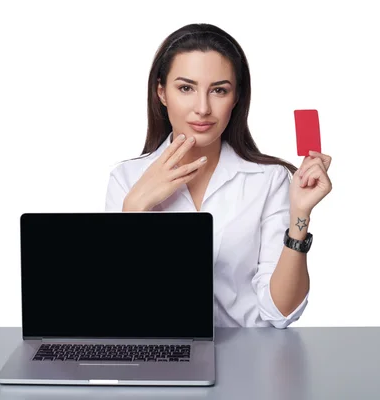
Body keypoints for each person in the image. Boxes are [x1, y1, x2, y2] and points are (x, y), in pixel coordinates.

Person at [104, 23, 333, 329]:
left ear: (236, 97)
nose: (202, 108)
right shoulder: (127, 178)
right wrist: (134, 209)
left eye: (219, 90)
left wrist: (300, 216)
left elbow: (280, 313)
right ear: (161, 92)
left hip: (250, 357)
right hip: (163, 356)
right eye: (186, 88)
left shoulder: (268, 179)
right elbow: (117, 307)